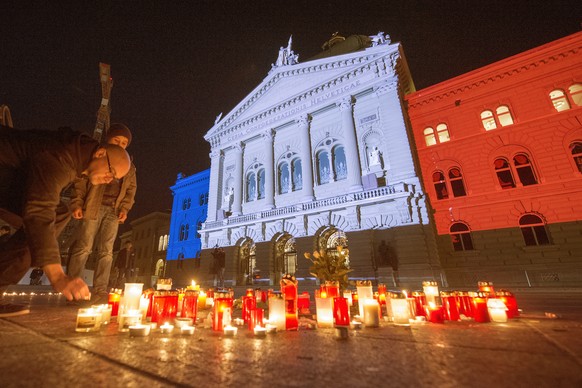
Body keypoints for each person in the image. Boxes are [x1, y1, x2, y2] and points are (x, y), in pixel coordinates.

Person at [0, 125, 131, 317]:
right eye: (110, 172)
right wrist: (57, 275)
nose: (109, 180)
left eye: (114, 179)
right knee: (45, 216)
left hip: (8, 177)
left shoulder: (79, 152)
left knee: (59, 213)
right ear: (101, 152)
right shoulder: (62, 158)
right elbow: (39, 210)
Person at [67, 123, 137, 303]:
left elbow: (131, 190)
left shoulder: (129, 166)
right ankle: (73, 288)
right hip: (93, 207)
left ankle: (99, 290)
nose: (120, 144)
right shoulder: (97, 156)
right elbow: (81, 181)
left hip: (113, 211)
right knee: (84, 247)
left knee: (106, 251)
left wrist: (124, 209)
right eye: (117, 140)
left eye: (124, 143)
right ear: (108, 139)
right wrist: (77, 203)